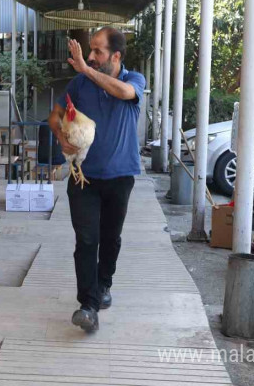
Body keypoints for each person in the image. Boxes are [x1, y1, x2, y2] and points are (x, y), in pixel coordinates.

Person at [48, 27, 146, 332]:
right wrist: (61, 135)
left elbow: (123, 93)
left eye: (97, 51)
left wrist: (87, 70)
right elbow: (55, 114)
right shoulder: (79, 83)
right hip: (83, 177)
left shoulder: (134, 80)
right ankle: (88, 305)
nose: (90, 56)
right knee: (87, 240)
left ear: (116, 56)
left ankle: (104, 284)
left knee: (110, 238)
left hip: (120, 177)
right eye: (89, 50)